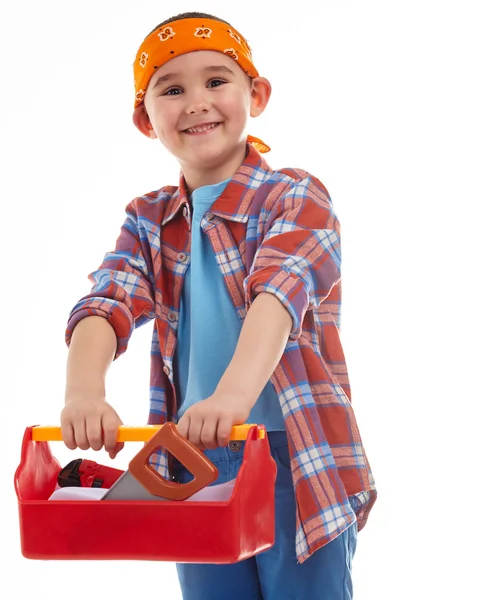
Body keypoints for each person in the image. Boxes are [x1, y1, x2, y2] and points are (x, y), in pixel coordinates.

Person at [60, 10, 376, 599]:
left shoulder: (295, 194)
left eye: (216, 81)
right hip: (192, 460)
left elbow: (279, 294)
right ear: (145, 119)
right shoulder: (147, 218)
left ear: (255, 95)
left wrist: (230, 398)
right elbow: (107, 302)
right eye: (172, 88)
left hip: (291, 455)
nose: (197, 101)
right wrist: (84, 390)